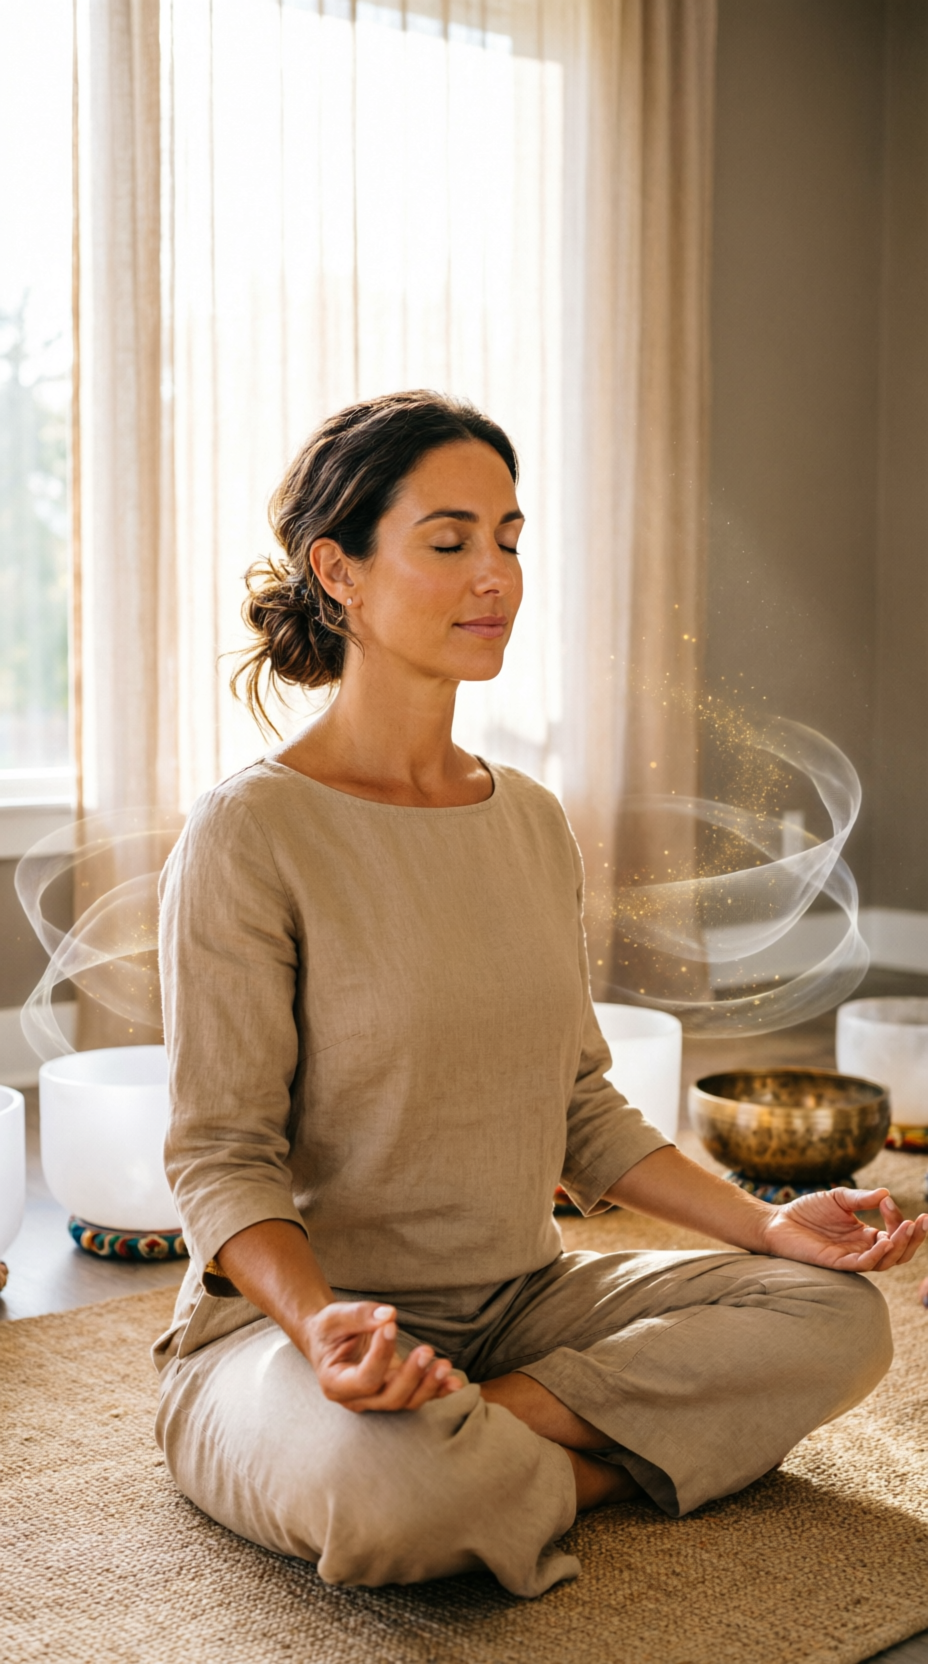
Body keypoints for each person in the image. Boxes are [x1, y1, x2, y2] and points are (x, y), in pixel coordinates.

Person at [154, 390, 926, 1600]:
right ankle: (564, 1458)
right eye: (449, 540)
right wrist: (320, 1330)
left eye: (510, 539)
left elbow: (582, 1104)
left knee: (840, 1318)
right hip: (294, 1341)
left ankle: (490, 1440)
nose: (494, 576)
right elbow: (219, 1155)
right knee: (389, 1493)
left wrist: (766, 1226)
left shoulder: (528, 819)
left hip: (523, 1303)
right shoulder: (251, 830)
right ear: (337, 570)